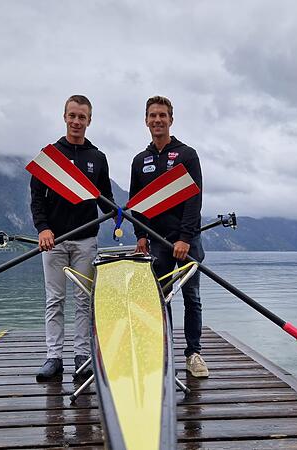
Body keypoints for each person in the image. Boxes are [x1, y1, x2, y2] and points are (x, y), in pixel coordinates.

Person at [30, 95, 114, 381]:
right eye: (72, 116)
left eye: (82, 117)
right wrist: (43, 228)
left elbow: (107, 201)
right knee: (54, 300)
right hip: (53, 241)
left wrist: (124, 214)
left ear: (90, 121)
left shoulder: (97, 158)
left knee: (83, 300)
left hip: (86, 241)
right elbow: (36, 200)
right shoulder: (49, 156)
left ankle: (82, 356)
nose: (76, 121)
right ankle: (54, 357)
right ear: (64, 117)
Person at [128, 95, 208, 378]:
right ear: (146, 120)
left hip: (187, 241)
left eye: (163, 115)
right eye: (152, 115)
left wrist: (185, 238)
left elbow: (193, 200)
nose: (157, 120)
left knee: (191, 297)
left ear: (171, 120)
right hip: (157, 241)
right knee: (160, 299)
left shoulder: (187, 155)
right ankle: (164, 350)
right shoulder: (140, 160)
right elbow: (135, 203)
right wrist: (140, 235)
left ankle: (193, 353)